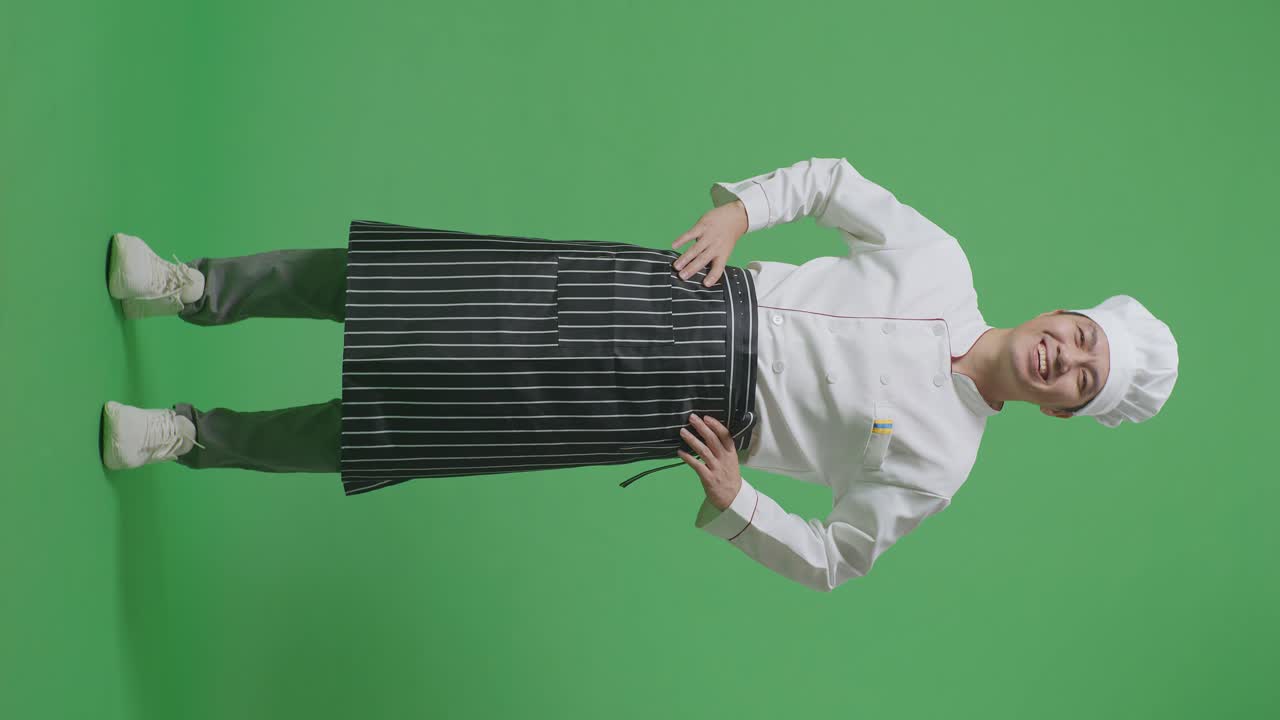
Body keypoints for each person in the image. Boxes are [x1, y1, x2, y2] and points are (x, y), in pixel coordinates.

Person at [100, 157, 1179, 593]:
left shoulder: (942, 465)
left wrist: (739, 499)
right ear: (1064, 311)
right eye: (1081, 336)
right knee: (425, 284)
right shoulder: (940, 263)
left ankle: (187, 436)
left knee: (422, 420)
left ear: (1063, 409)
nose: (1067, 357)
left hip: (680, 410)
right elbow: (832, 181)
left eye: (1082, 378)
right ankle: (192, 288)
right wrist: (742, 211)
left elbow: (836, 557)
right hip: (687, 292)